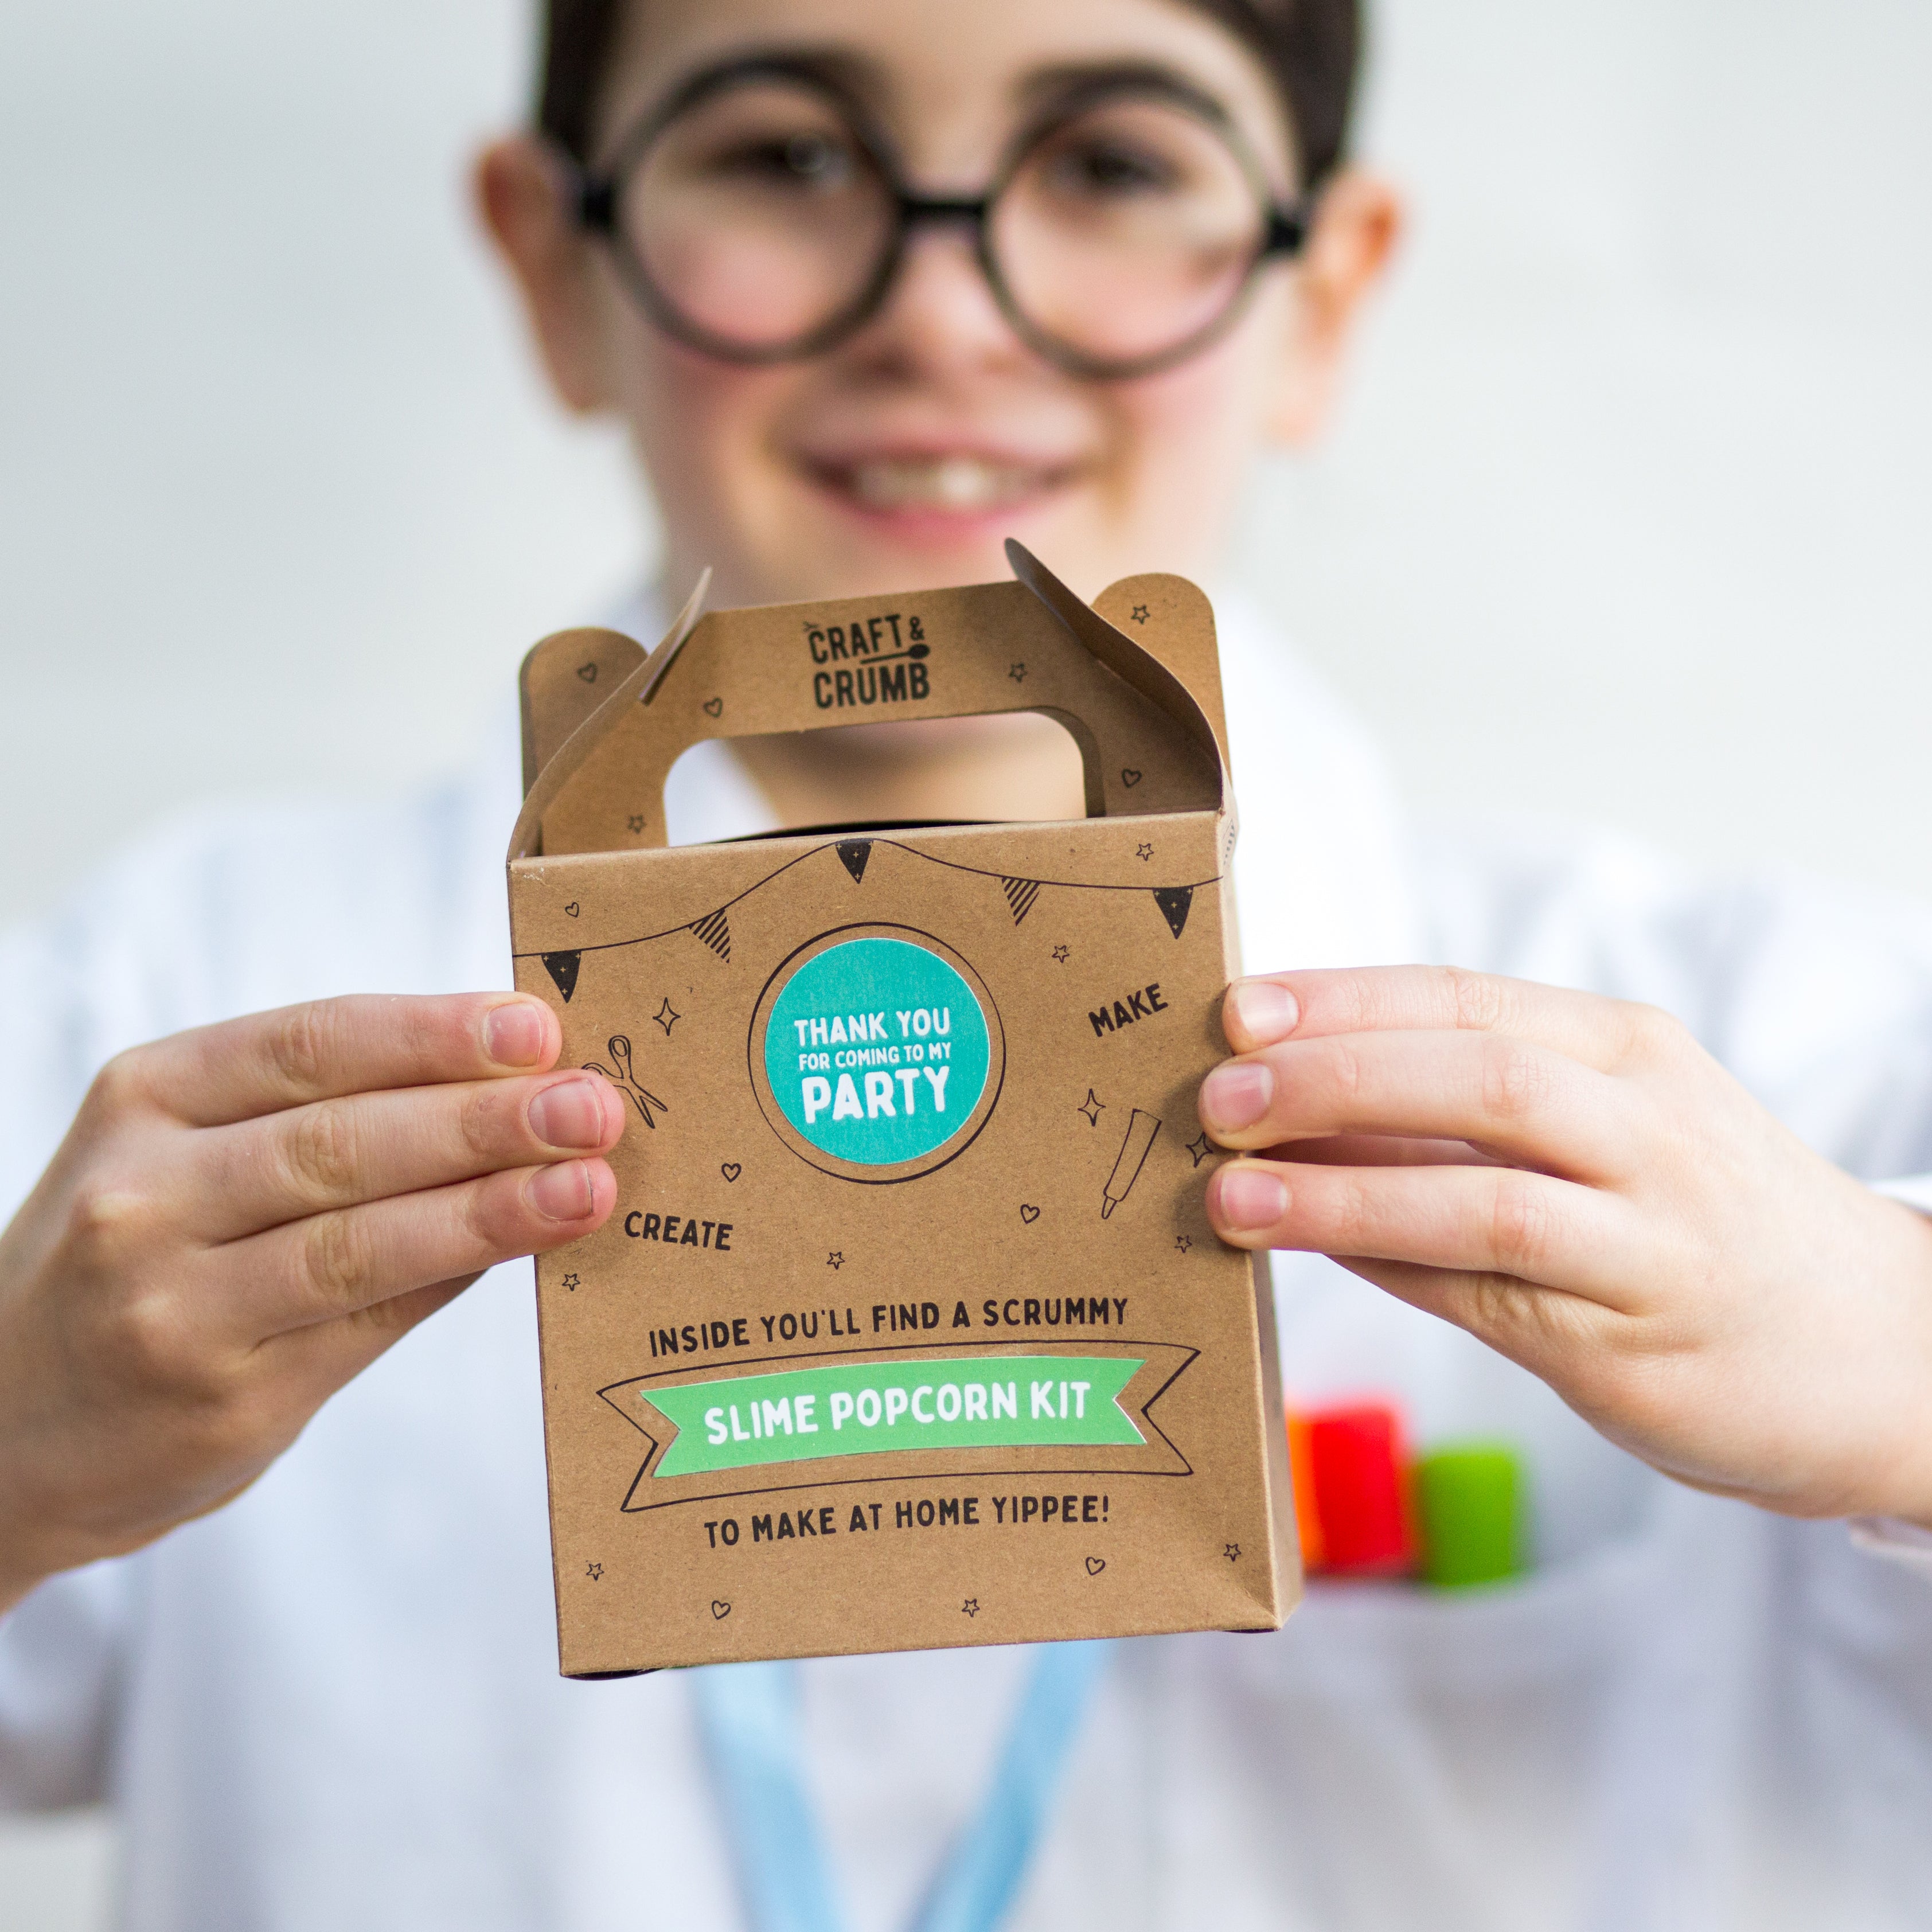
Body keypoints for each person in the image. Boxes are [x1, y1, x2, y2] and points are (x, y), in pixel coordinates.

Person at [4, 0, 1931, 1924]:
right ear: (553, 263)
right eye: (788, 156)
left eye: (1109, 164)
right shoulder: (161, 1028)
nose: (941, 313)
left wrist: (1888, 1348)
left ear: (1320, 294)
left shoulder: (1768, 1057)